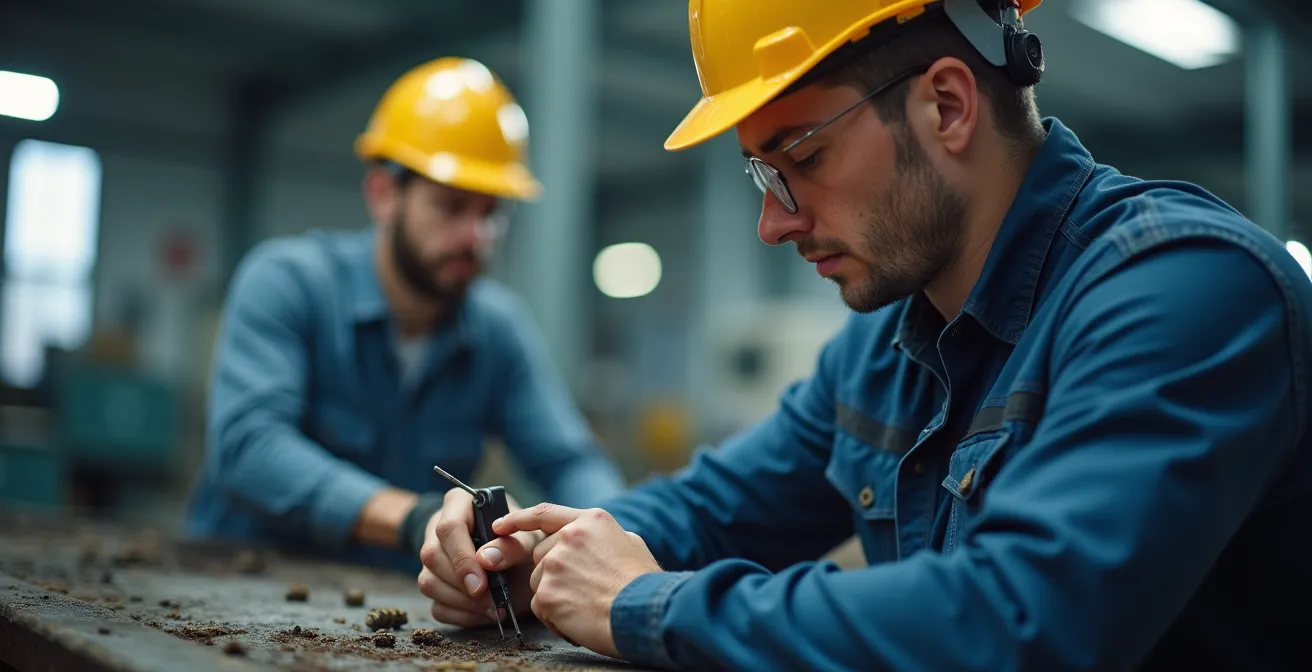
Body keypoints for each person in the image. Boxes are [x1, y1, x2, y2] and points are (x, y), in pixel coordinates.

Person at [418, 1, 1312, 669]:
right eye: (764, 176)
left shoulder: (1187, 290)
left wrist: (650, 606)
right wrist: (536, 549)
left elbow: (1021, 622)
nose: (775, 223)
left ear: (948, 107)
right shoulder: (888, 348)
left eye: (802, 158)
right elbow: (712, 507)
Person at [185, 57, 626, 574]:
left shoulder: (498, 331)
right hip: (239, 583)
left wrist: (606, 531)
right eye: (452, 206)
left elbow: (569, 462)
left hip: (388, 606)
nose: (476, 237)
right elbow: (250, 447)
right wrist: (412, 518)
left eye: (492, 212)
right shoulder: (288, 283)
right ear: (383, 194)